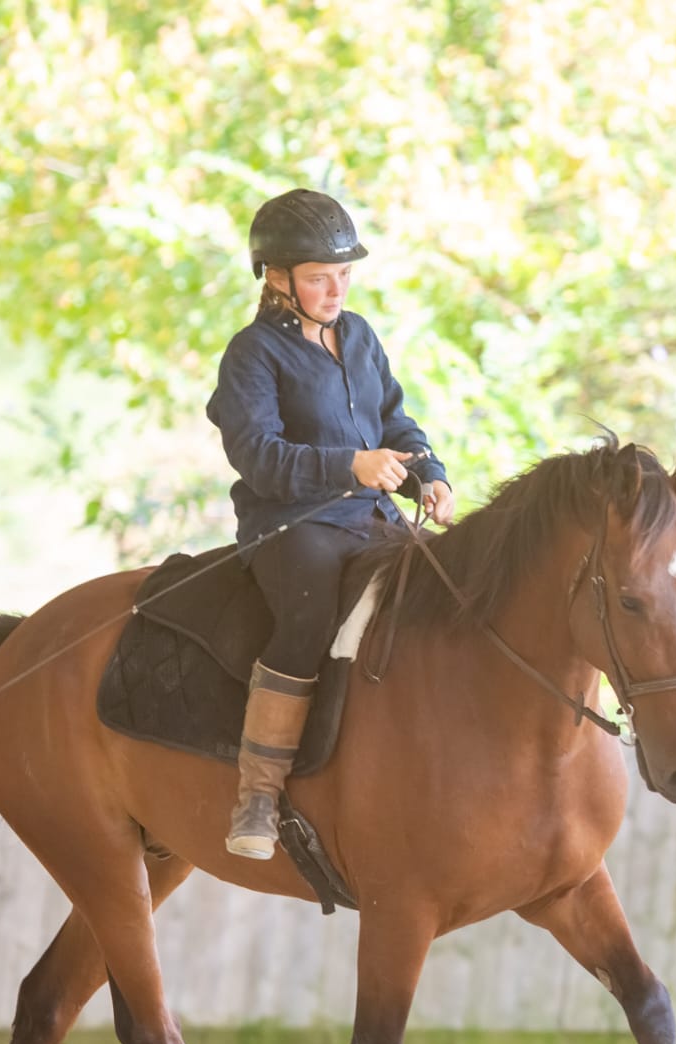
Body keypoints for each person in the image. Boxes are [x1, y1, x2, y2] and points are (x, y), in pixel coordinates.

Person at [205, 188, 456, 859]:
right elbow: (257, 456)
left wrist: (430, 472)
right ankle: (257, 793)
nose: (336, 289)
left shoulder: (360, 336)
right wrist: (352, 466)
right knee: (311, 610)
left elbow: (396, 421)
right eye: (320, 278)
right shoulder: (252, 354)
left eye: (344, 275)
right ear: (278, 278)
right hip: (290, 526)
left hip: (372, 516)